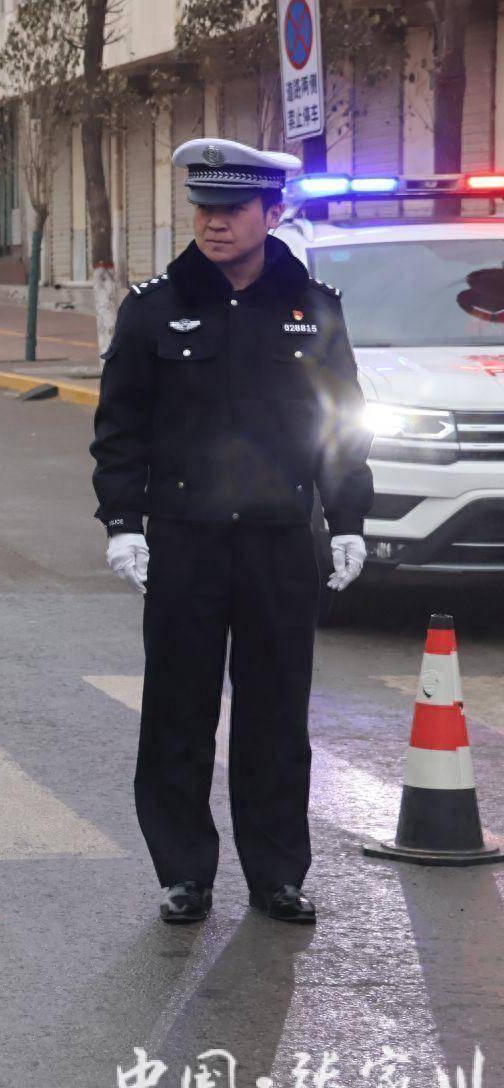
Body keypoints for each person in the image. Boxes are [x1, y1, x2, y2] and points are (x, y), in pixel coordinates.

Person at [91, 138, 373, 928]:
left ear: (271, 214)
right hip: (185, 540)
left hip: (281, 540)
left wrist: (347, 519)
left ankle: (277, 872)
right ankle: (184, 871)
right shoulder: (153, 308)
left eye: (231, 210)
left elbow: (342, 428)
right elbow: (121, 429)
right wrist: (123, 522)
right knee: (178, 712)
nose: (213, 224)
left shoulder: (314, 307)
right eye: (203, 209)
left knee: (276, 713)